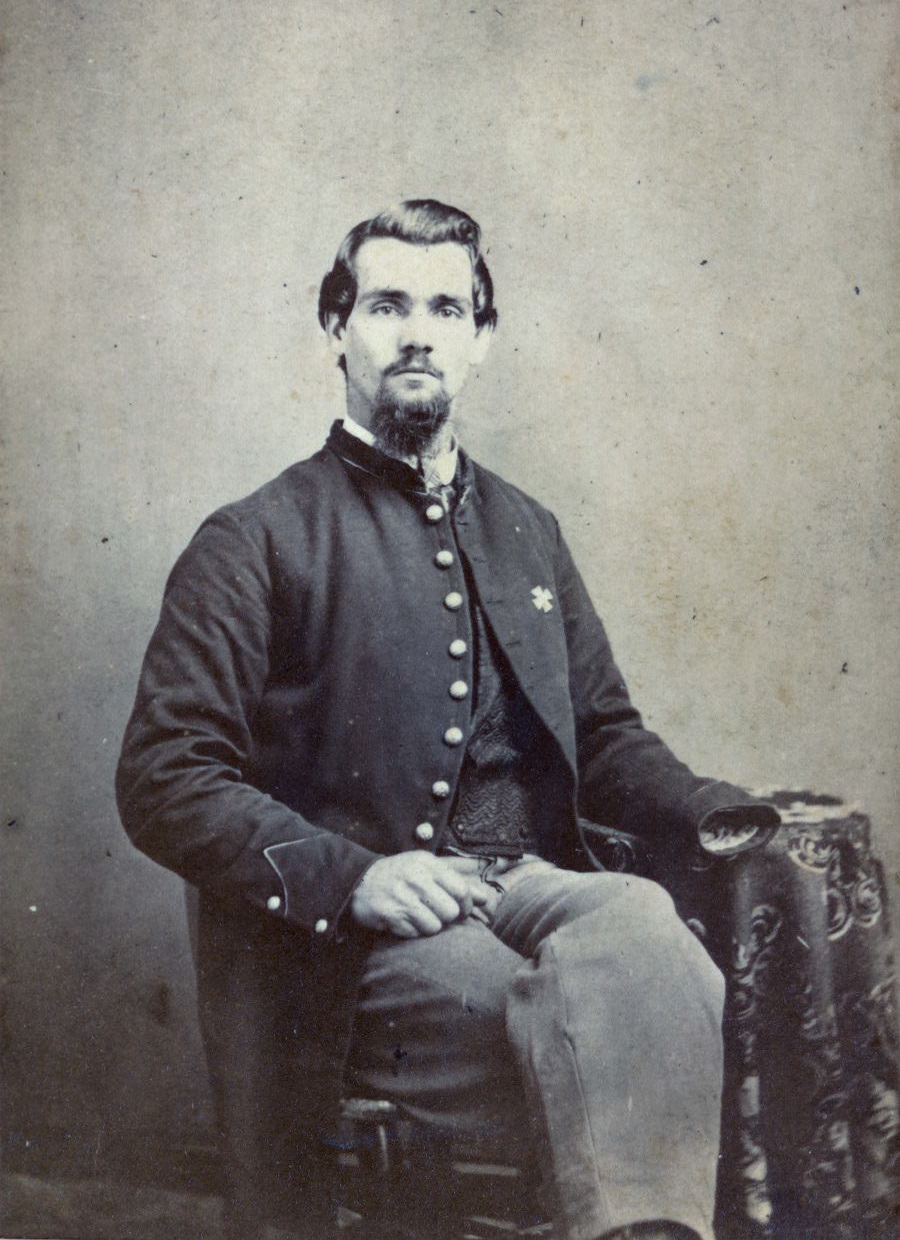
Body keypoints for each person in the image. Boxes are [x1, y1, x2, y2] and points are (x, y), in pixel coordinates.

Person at [116, 200, 779, 1240]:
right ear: (336, 327)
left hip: (530, 885)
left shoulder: (528, 529)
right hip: (357, 944)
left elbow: (601, 735)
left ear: (481, 340)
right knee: (593, 1020)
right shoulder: (254, 538)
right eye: (386, 304)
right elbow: (165, 777)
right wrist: (358, 875)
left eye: (444, 307)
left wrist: (713, 812)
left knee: (645, 929)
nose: (417, 331)